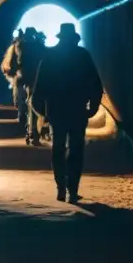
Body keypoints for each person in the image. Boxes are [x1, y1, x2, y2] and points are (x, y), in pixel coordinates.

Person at [30, 23, 104, 202]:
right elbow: (96, 85)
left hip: (56, 110)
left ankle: (61, 188)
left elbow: (38, 90)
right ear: (74, 39)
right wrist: (92, 108)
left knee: (58, 148)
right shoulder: (83, 56)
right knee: (76, 150)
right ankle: (72, 190)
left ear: (60, 38)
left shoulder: (49, 57)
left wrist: (43, 113)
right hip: (78, 110)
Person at [17, 27, 46, 145]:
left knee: (31, 105)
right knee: (38, 104)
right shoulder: (39, 47)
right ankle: (36, 131)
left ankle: (32, 131)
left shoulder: (23, 47)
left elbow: (20, 63)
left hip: (29, 80)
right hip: (40, 79)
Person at [1, 29, 25, 125]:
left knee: (20, 98)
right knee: (21, 98)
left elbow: (7, 65)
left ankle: (22, 116)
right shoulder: (15, 47)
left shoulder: (14, 47)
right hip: (20, 76)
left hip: (19, 76)